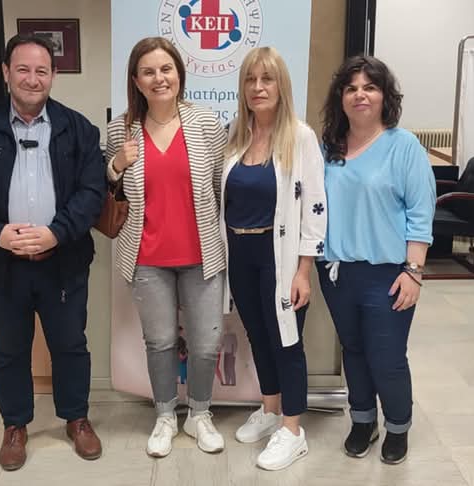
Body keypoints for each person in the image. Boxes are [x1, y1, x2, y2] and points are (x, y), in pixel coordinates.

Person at [0, 34, 105, 471]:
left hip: (62, 261)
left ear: (53, 75)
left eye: (41, 71)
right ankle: (15, 425)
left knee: (70, 344)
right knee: (9, 348)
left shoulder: (78, 128)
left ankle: (76, 419)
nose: (33, 79)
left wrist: (56, 233)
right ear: (6, 73)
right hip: (1, 264)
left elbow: (92, 193)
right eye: (23, 70)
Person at [105, 36, 227, 458]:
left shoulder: (206, 123)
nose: (159, 78)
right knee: (159, 342)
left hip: (202, 256)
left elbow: (220, 187)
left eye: (166, 69)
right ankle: (164, 416)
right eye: (148, 72)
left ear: (179, 74)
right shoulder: (121, 129)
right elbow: (107, 187)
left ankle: (199, 415)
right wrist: (117, 164)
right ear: (136, 81)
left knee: (206, 344)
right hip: (147, 258)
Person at [317, 56, 436, 465]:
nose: (360, 95)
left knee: (386, 358)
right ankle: (363, 421)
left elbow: (421, 213)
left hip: (388, 274)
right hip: (337, 272)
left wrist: (414, 272)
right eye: (351, 88)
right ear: (341, 98)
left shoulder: (404, 147)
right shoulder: (328, 149)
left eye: (370, 87)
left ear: (385, 96)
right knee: (353, 351)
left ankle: (398, 427)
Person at [221, 47, 326, 471]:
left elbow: (315, 207)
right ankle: (269, 409)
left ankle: (293, 430)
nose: (258, 88)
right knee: (258, 336)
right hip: (240, 253)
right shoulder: (236, 134)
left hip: (278, 256)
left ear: (281, 86)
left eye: (267, 79)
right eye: (250, 80)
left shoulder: (300, 137)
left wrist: (304, 271)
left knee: (287, 340)